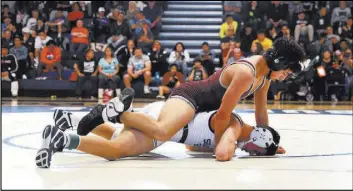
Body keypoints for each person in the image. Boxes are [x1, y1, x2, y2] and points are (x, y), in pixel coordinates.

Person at [36, 101, 285, 168]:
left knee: (118, 137)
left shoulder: (235, 128)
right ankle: (62, 139)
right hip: (164, 126)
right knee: (115, 151)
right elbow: (222, 154)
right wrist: (231, 144)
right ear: (258, 138)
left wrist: (272, 149)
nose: (252, 152)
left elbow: (191, 147)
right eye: (256, 150)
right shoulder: (234, 126)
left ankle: (70, 120)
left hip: (162, 117)